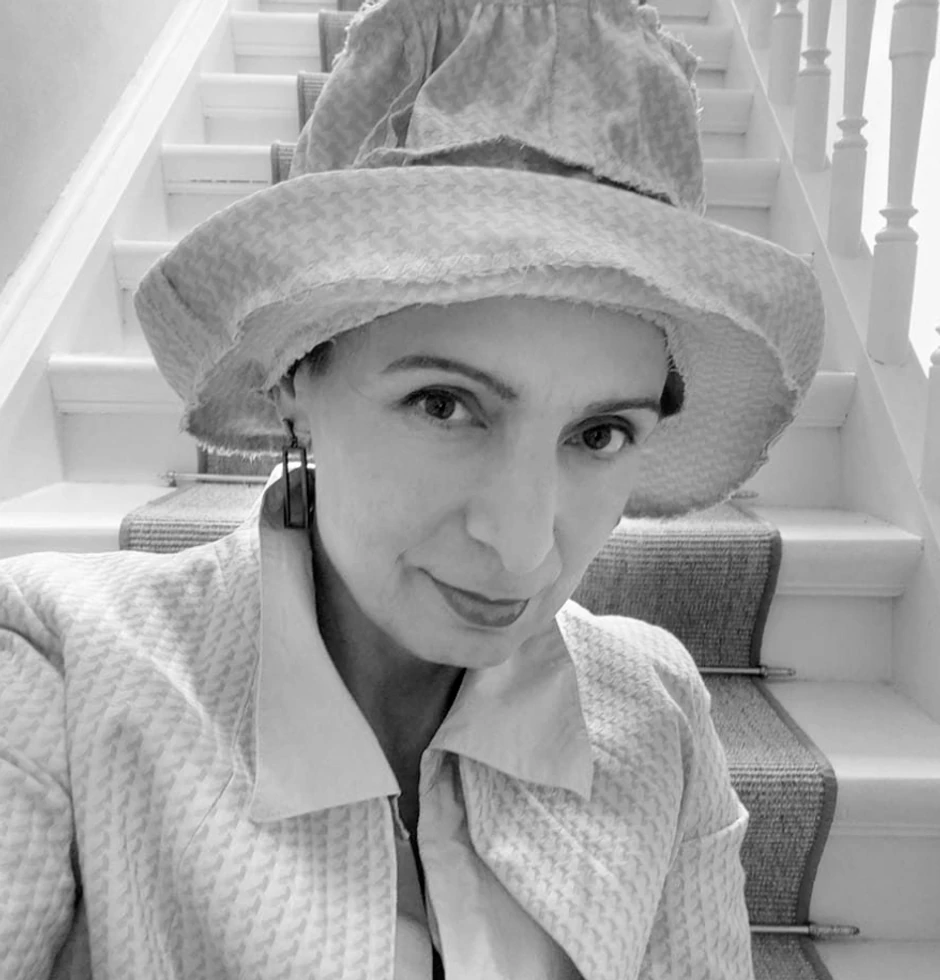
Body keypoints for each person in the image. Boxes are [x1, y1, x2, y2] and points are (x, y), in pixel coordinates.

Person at [0, 0, 825, 977]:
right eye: (444, 404)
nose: (523, 545)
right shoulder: (58, 666)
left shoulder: (657, 713)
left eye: (599, 434)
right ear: (294, 376)